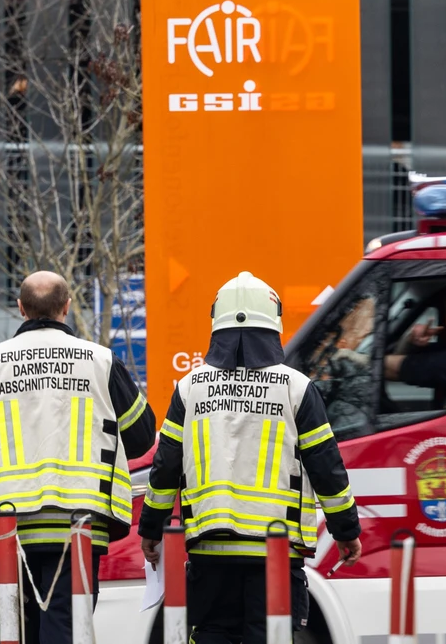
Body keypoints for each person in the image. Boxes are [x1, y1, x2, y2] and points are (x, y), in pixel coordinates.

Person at [138, 271, 362, 643]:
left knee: (211, 634)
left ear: (217, 323)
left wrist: (150, 529)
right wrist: (346, 531)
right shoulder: (296, 388)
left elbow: (165, 469)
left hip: (209, 550)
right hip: (275, 551)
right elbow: (326, 469)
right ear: (273, 324)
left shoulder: (190, 388)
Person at [0, 270, 155, 644]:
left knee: (21, 631)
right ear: (67, 307)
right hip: (81, 523)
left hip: (11, 527)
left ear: (21, 308)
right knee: (68, 627)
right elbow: (141, 437)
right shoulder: (101, 361)